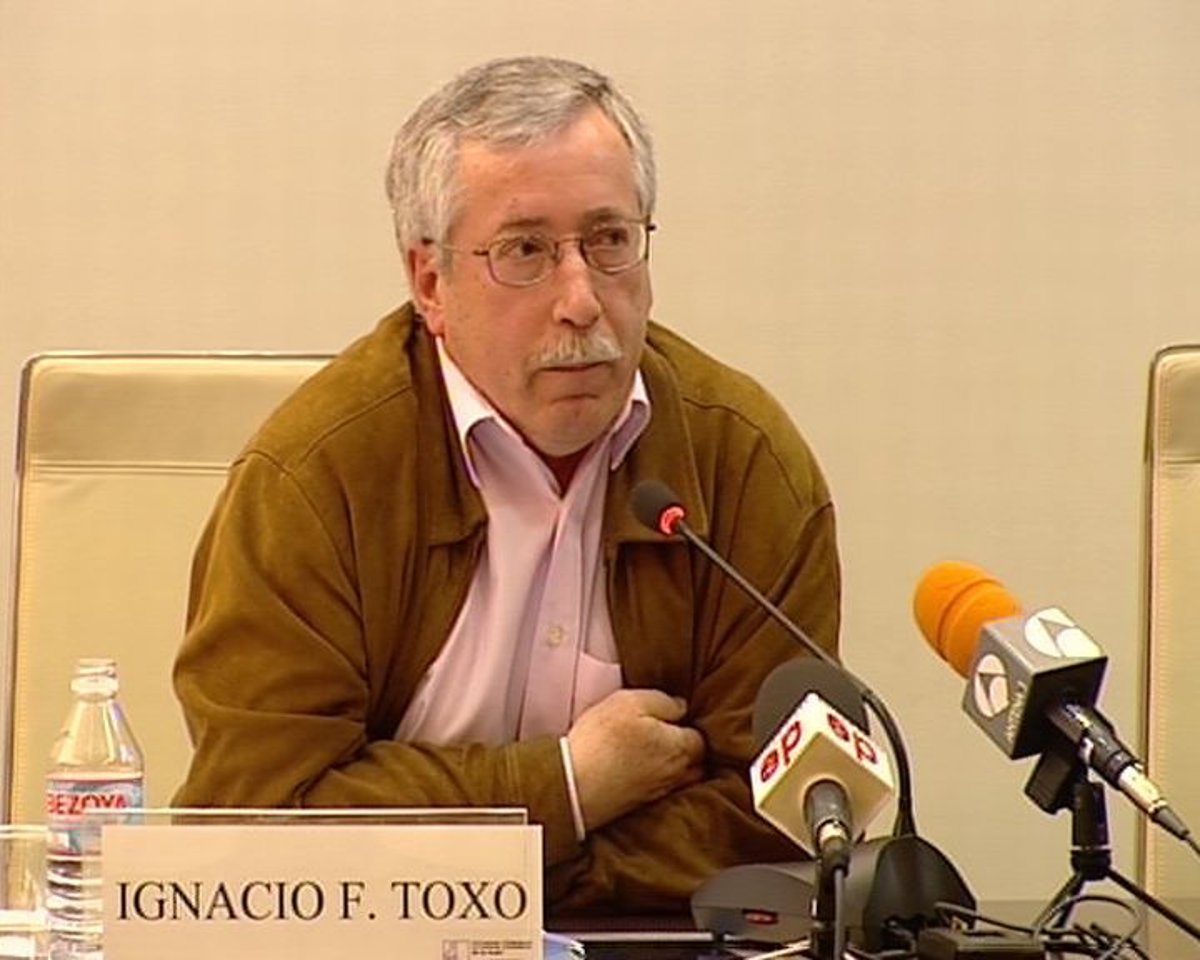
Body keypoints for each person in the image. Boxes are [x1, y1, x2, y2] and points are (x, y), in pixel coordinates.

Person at [173, 55, 841, 916]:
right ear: (430, 284)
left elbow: (785, 810)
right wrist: (565, 787)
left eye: (609, 241)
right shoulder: (316, 480)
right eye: (525, 251)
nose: (581, 300)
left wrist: (506, 872)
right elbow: (251, 819)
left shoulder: (742, 461)